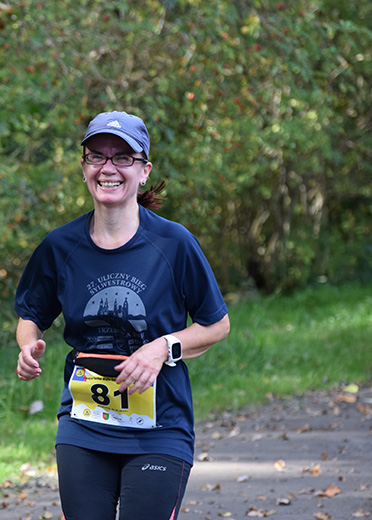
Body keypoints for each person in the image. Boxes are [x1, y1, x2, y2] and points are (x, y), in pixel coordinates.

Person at [14, 111, 230, 520]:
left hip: (159, 428)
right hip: (84, 425)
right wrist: (27, 347)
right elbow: (31, 316)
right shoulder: (59, 246)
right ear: (84, 168)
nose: (108, 167)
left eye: (123, 157)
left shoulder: (174, 243)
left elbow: (217, 324)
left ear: (144, 171)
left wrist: (162, 348)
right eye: (97, 156)